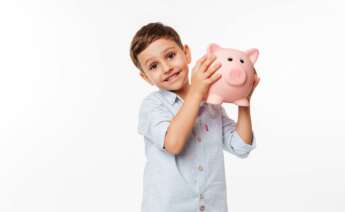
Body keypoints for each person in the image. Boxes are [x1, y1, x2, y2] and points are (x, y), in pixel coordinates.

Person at [129, 22, 260, 212]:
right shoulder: (152, 106)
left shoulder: (212, 107)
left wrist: (244, 101)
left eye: (171, 56)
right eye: (154, 66)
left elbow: (241, 147)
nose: (166, 68)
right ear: (146, 77)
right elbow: (173, 144)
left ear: (186, 53)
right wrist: (197, 91)